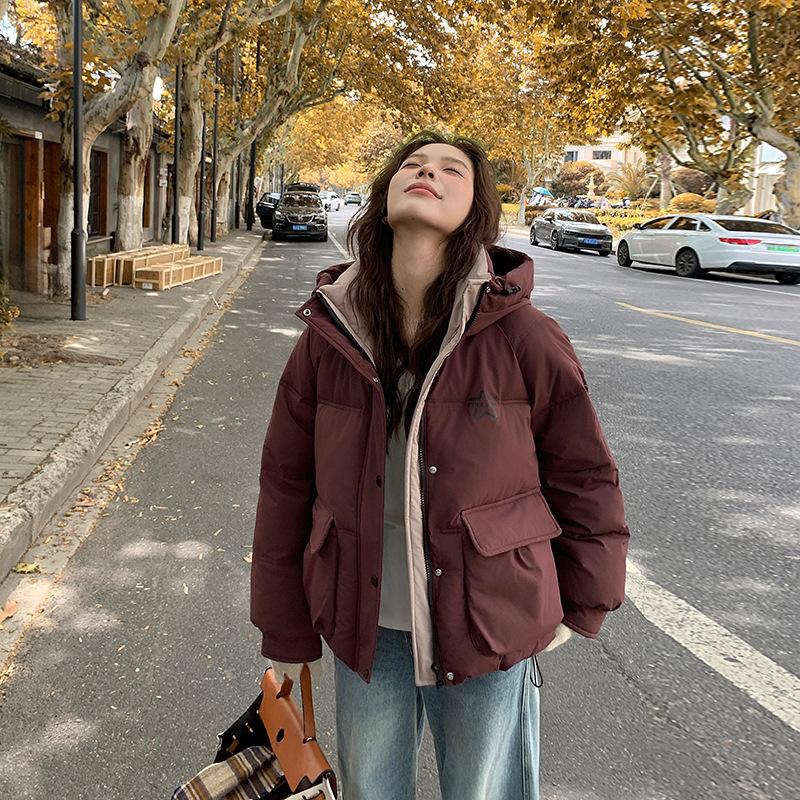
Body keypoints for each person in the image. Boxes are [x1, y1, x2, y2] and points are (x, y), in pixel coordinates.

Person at [250, 130, 629, 800]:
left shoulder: (525, 336)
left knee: (483, 790)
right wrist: (283, 625)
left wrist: (585, 601)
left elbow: (584, 475)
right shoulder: (329, 336)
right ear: (384, 197)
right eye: (412, 165)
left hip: (488, 622)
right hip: (364, 627)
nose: (428, 172)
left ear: (476, 209)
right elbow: (286, 485)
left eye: (452, 170)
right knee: (372, 790)